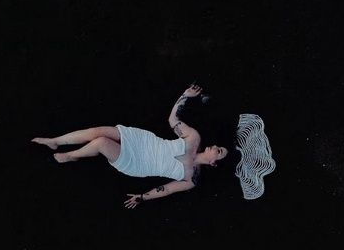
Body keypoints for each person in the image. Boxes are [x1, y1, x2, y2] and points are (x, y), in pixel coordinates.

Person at [31, 83, 230, 209]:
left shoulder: (191, 179)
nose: (215, 147)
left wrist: (142, 197)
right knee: (97, 131)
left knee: (101, 143)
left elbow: (167, 190)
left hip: (139, 163)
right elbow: (173, 120)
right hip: (144, 142)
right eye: (219, 146)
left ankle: (71, 156)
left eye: (219, 151)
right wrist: (185, 95)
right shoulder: (194, 138)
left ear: (214, 163)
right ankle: (55, 141)